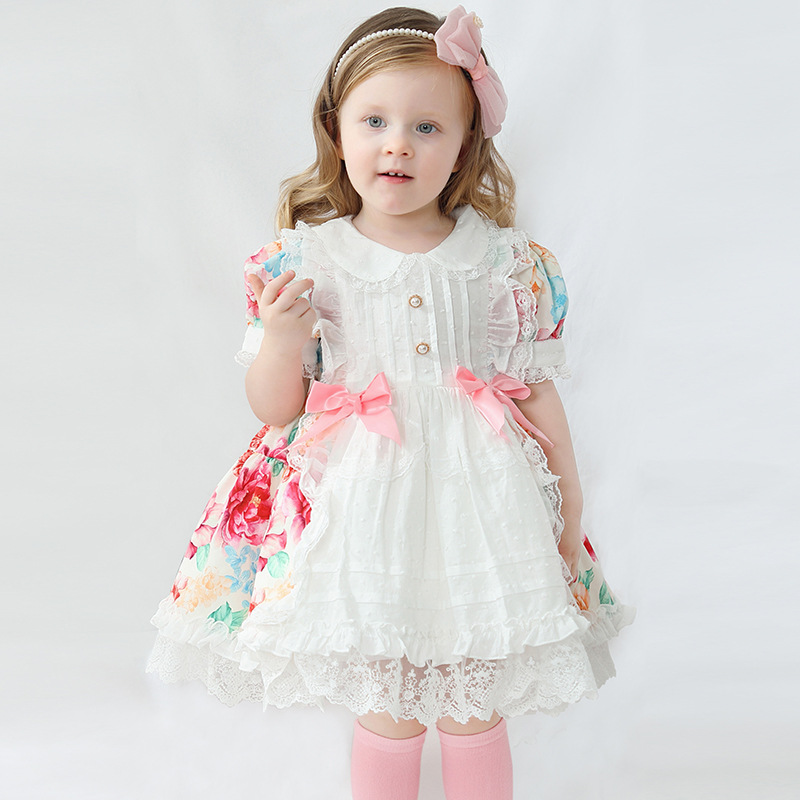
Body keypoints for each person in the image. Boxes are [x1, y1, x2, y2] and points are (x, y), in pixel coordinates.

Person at [146, 6, 636, 799]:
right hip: (360, 510)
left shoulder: (506, 262)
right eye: (374, 121)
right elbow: (276, 410)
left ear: (465, 145)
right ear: (337, 131)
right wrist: (280, 341)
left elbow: (535, 389)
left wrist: (568, 505)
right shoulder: (307, 260)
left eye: (427, 127)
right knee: (390, 705)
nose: (398, 144)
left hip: (481, 510)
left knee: (474, 704)